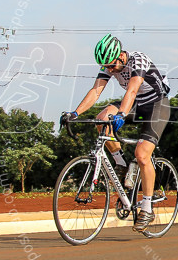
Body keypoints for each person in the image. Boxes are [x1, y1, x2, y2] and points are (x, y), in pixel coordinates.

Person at [60, 34, 170, 234]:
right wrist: (75, 113)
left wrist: (121, 114)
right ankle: (120, 163)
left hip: (156, 104)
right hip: (136, 104)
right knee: (101, 120)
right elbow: (96, 91)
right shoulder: (108, 65)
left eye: (111, 66)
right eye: (106, 67)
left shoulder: (138, 60)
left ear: (120, 56)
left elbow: (132, 91)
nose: (109, 70)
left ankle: (146, 207)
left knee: (142, 155)